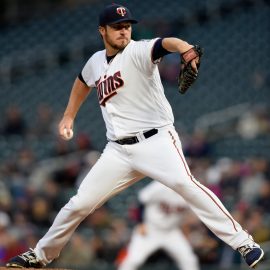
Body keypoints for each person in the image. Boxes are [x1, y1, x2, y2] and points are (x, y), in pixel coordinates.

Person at [6, 3, 264, 269]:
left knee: (187, 186)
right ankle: (40, 255)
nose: (123, 31)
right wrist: (69, 115)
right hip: (117, 151)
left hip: (156, 142)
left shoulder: (138, 51)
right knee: (79, 204)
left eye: (127, 26)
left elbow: (166, 43)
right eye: (117, 27)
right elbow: (82, 81)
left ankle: (243, 242)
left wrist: (185, 48)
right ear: (102, 31)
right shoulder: (95, 62)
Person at [117, 181, 200, 270]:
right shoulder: (160, 185)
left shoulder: (191, 193)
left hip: (171, 232)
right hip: (150, 229)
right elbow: (141, 200)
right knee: (134, 260)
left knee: (189, 260)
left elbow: (190, 216)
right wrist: (140, 222)